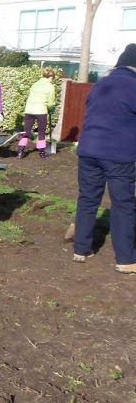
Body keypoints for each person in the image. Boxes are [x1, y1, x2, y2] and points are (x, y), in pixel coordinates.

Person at [71, 43, 136, 274]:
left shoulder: (100, 85)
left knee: (88, 198)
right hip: (119, 153)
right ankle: (126, 259)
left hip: (89, 150)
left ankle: (81, 249)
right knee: (123, 205)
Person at [18, 67, 57, 159]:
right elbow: (51, 103)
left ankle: (20, 151)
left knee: (26, 131)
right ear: (51, 77)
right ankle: (42, 152)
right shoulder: (50, 87)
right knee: (41, 132)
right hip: (41, 110)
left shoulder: (35, 84)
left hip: (29, 110)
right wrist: (51, 109)